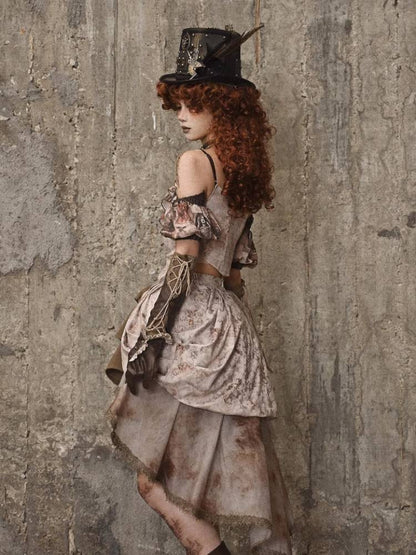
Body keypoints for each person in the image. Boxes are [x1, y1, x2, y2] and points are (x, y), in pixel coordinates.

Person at [105, 26, 294, 555]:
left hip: (191, 321)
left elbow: (187, 254)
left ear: (222, 110)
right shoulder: (240, 173)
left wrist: (152, 331)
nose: (182, 116)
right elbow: (233, 276)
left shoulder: (195, 162)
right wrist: (236, 351)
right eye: (179, 105)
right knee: (187, 484)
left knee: (158, 485)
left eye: (195, 105)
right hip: (228, 325)